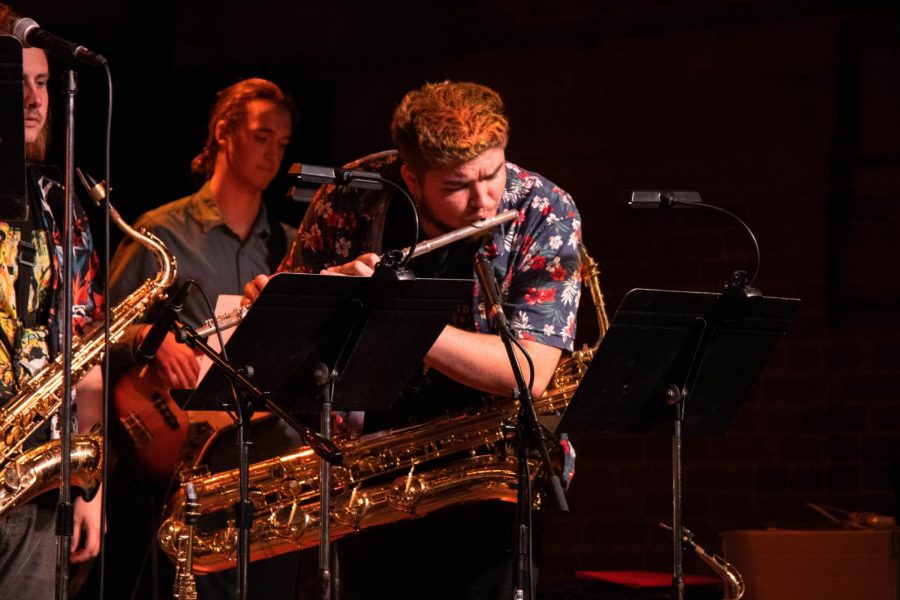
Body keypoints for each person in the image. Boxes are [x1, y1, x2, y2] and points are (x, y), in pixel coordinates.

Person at [244, 80, 582, 599]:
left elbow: (528, 372)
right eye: (456, 186)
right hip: (370, 474)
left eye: (492, 174)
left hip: (489, 476)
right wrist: (280, 309)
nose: (483, 199)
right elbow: (289, 336)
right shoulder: (351, 198)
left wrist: (397, 319)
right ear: (412, 176)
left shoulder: (544, 208)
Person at [103, 77, 303, 599]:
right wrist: (149, 338)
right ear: (223, 132)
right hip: (190, 468)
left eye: (283, 144)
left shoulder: (288, 245)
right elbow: (97, 331)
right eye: (262, 136)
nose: (273, 154)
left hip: (267, 468)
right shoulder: (162, 233)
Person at [0, 5, 105, 598]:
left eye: (42, 83)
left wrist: (89, 487)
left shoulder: (58, 203)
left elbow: (86, 355)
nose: (35, 100)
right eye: (17, 84)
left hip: (36, 486)